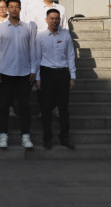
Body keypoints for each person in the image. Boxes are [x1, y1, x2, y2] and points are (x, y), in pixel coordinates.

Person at [0, 0, 37, 149]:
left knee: (24, 106)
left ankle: (25, 136)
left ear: (20, 9)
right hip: (5, 73)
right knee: (3, 106)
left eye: (16, 6)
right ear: (7, 9)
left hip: (24, 73)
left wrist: (33, 70)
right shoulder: (0, 28)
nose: (13, 9)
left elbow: (33, 50)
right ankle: (3, 135)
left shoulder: (28, 28)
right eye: (11, 6)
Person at [36, 9, 76, 149]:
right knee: (46, 109)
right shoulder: (40, 37)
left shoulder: (66, 35)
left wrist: (72, 76)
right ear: (46, 20)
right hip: (46, 74)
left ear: (60, 20)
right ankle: (47, 138)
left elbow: (71, 56)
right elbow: (36, 58)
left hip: (63, 74)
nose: (54, 21)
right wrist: (37, 78)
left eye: (57, 18)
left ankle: (64, 137)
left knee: (63, 108)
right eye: (51, 18)